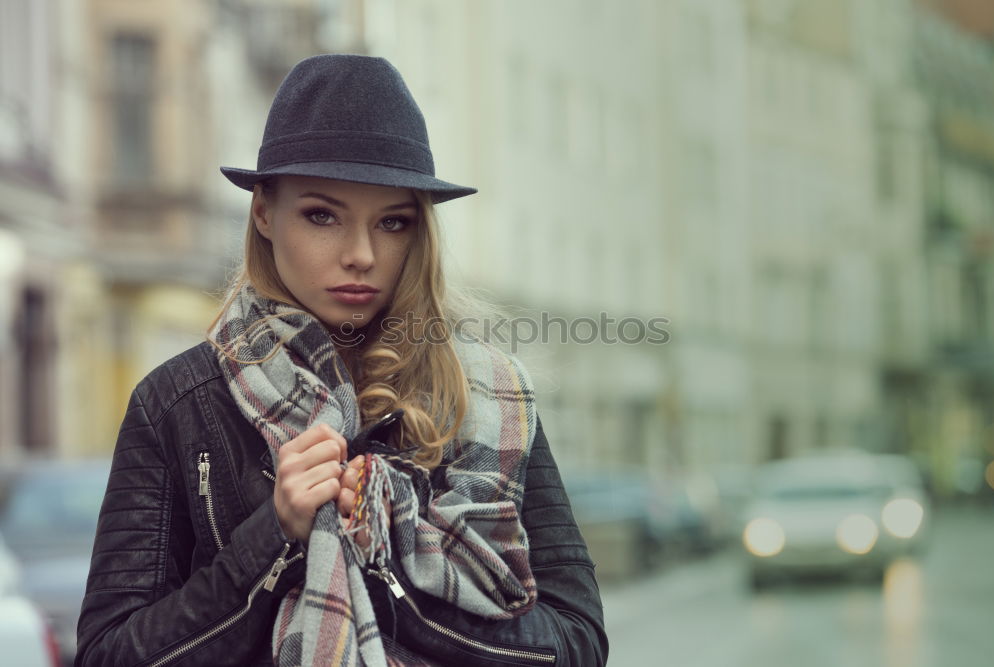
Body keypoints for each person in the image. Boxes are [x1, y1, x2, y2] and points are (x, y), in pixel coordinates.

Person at [76, 54, 608, 667]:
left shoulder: (489, 397)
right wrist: (274, 539)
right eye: (322, 215)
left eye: (392, 222)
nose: (361, 254)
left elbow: (578, 642)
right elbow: (108, 654)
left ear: (420, 233)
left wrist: (390, 578)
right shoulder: (178, 402)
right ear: (264, 213)